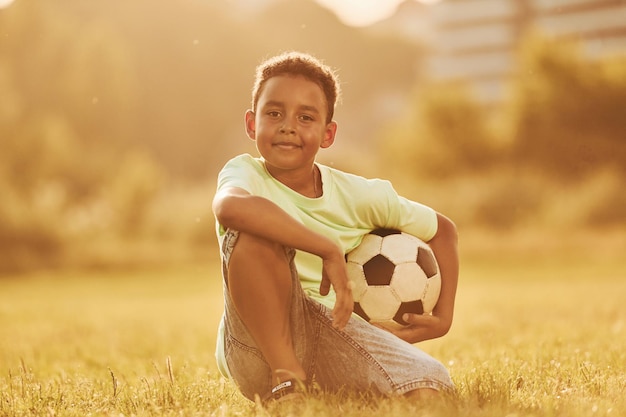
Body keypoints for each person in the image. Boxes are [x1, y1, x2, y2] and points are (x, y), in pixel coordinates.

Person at [212, 51, 459, 403]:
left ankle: (317, 385)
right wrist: (325, 247)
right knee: (254, 230)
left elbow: (443, 231)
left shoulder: (358, 195)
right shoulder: (244, 175)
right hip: (256, 350)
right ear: (252, 124)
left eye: (306, 117)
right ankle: (287, 384)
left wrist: (443, 317)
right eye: (274, 113)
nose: (288, 126)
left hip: (335, 333)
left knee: (430, 386)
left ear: (328, 134)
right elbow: (229, 208)